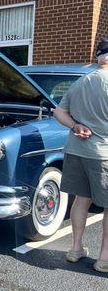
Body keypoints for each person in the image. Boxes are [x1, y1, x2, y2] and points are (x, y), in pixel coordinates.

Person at [54, 38, 108, 273]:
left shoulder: (79, 82)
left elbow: (59, 111)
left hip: (76, 150)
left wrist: (75, 126)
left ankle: (75, 248)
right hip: (103, 154)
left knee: (81, 200)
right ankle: (104, 258)